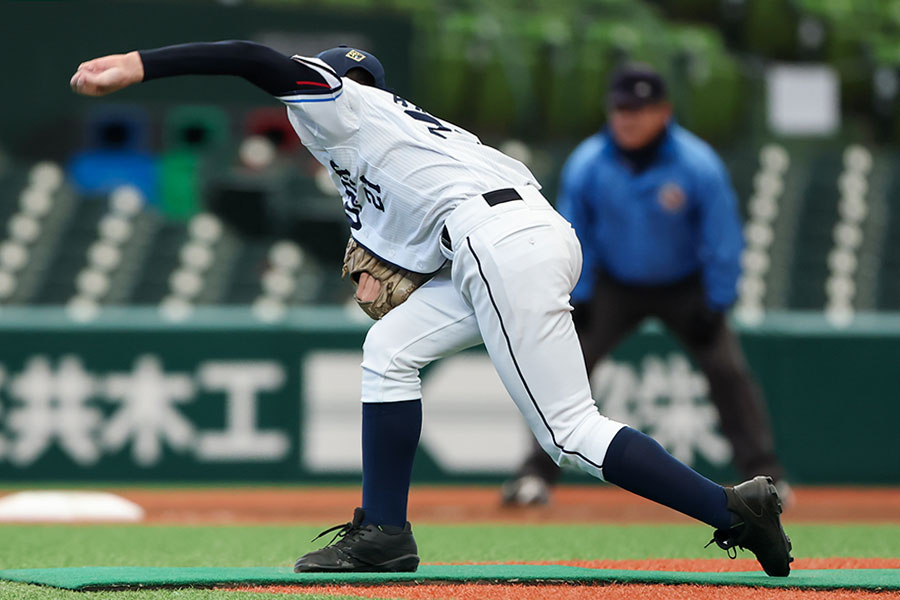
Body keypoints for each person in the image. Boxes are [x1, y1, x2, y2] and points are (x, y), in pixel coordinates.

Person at [70, 42, 793, 577]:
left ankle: (733, 509)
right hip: (522, 236)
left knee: (570, 435)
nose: (314, 88)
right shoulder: (405, 139)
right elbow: (412, 235)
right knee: (390, 352)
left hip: (497, 243)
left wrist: (140, 65)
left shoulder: (345, 101)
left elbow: (251, 58)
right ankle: (384, 530)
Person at [502, 64, 791, 508]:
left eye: (639, 109)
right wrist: (580, 292)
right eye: (620, 108)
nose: (628, 118)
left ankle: (767, 477)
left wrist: (716, 301)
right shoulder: (589, 162)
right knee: (562, 367)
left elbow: (722, 237)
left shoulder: (696, 163)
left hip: (685, 284)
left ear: (664, 112)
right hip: (613, 284)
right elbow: (574, 232)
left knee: (727, 370)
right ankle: (534, 476)